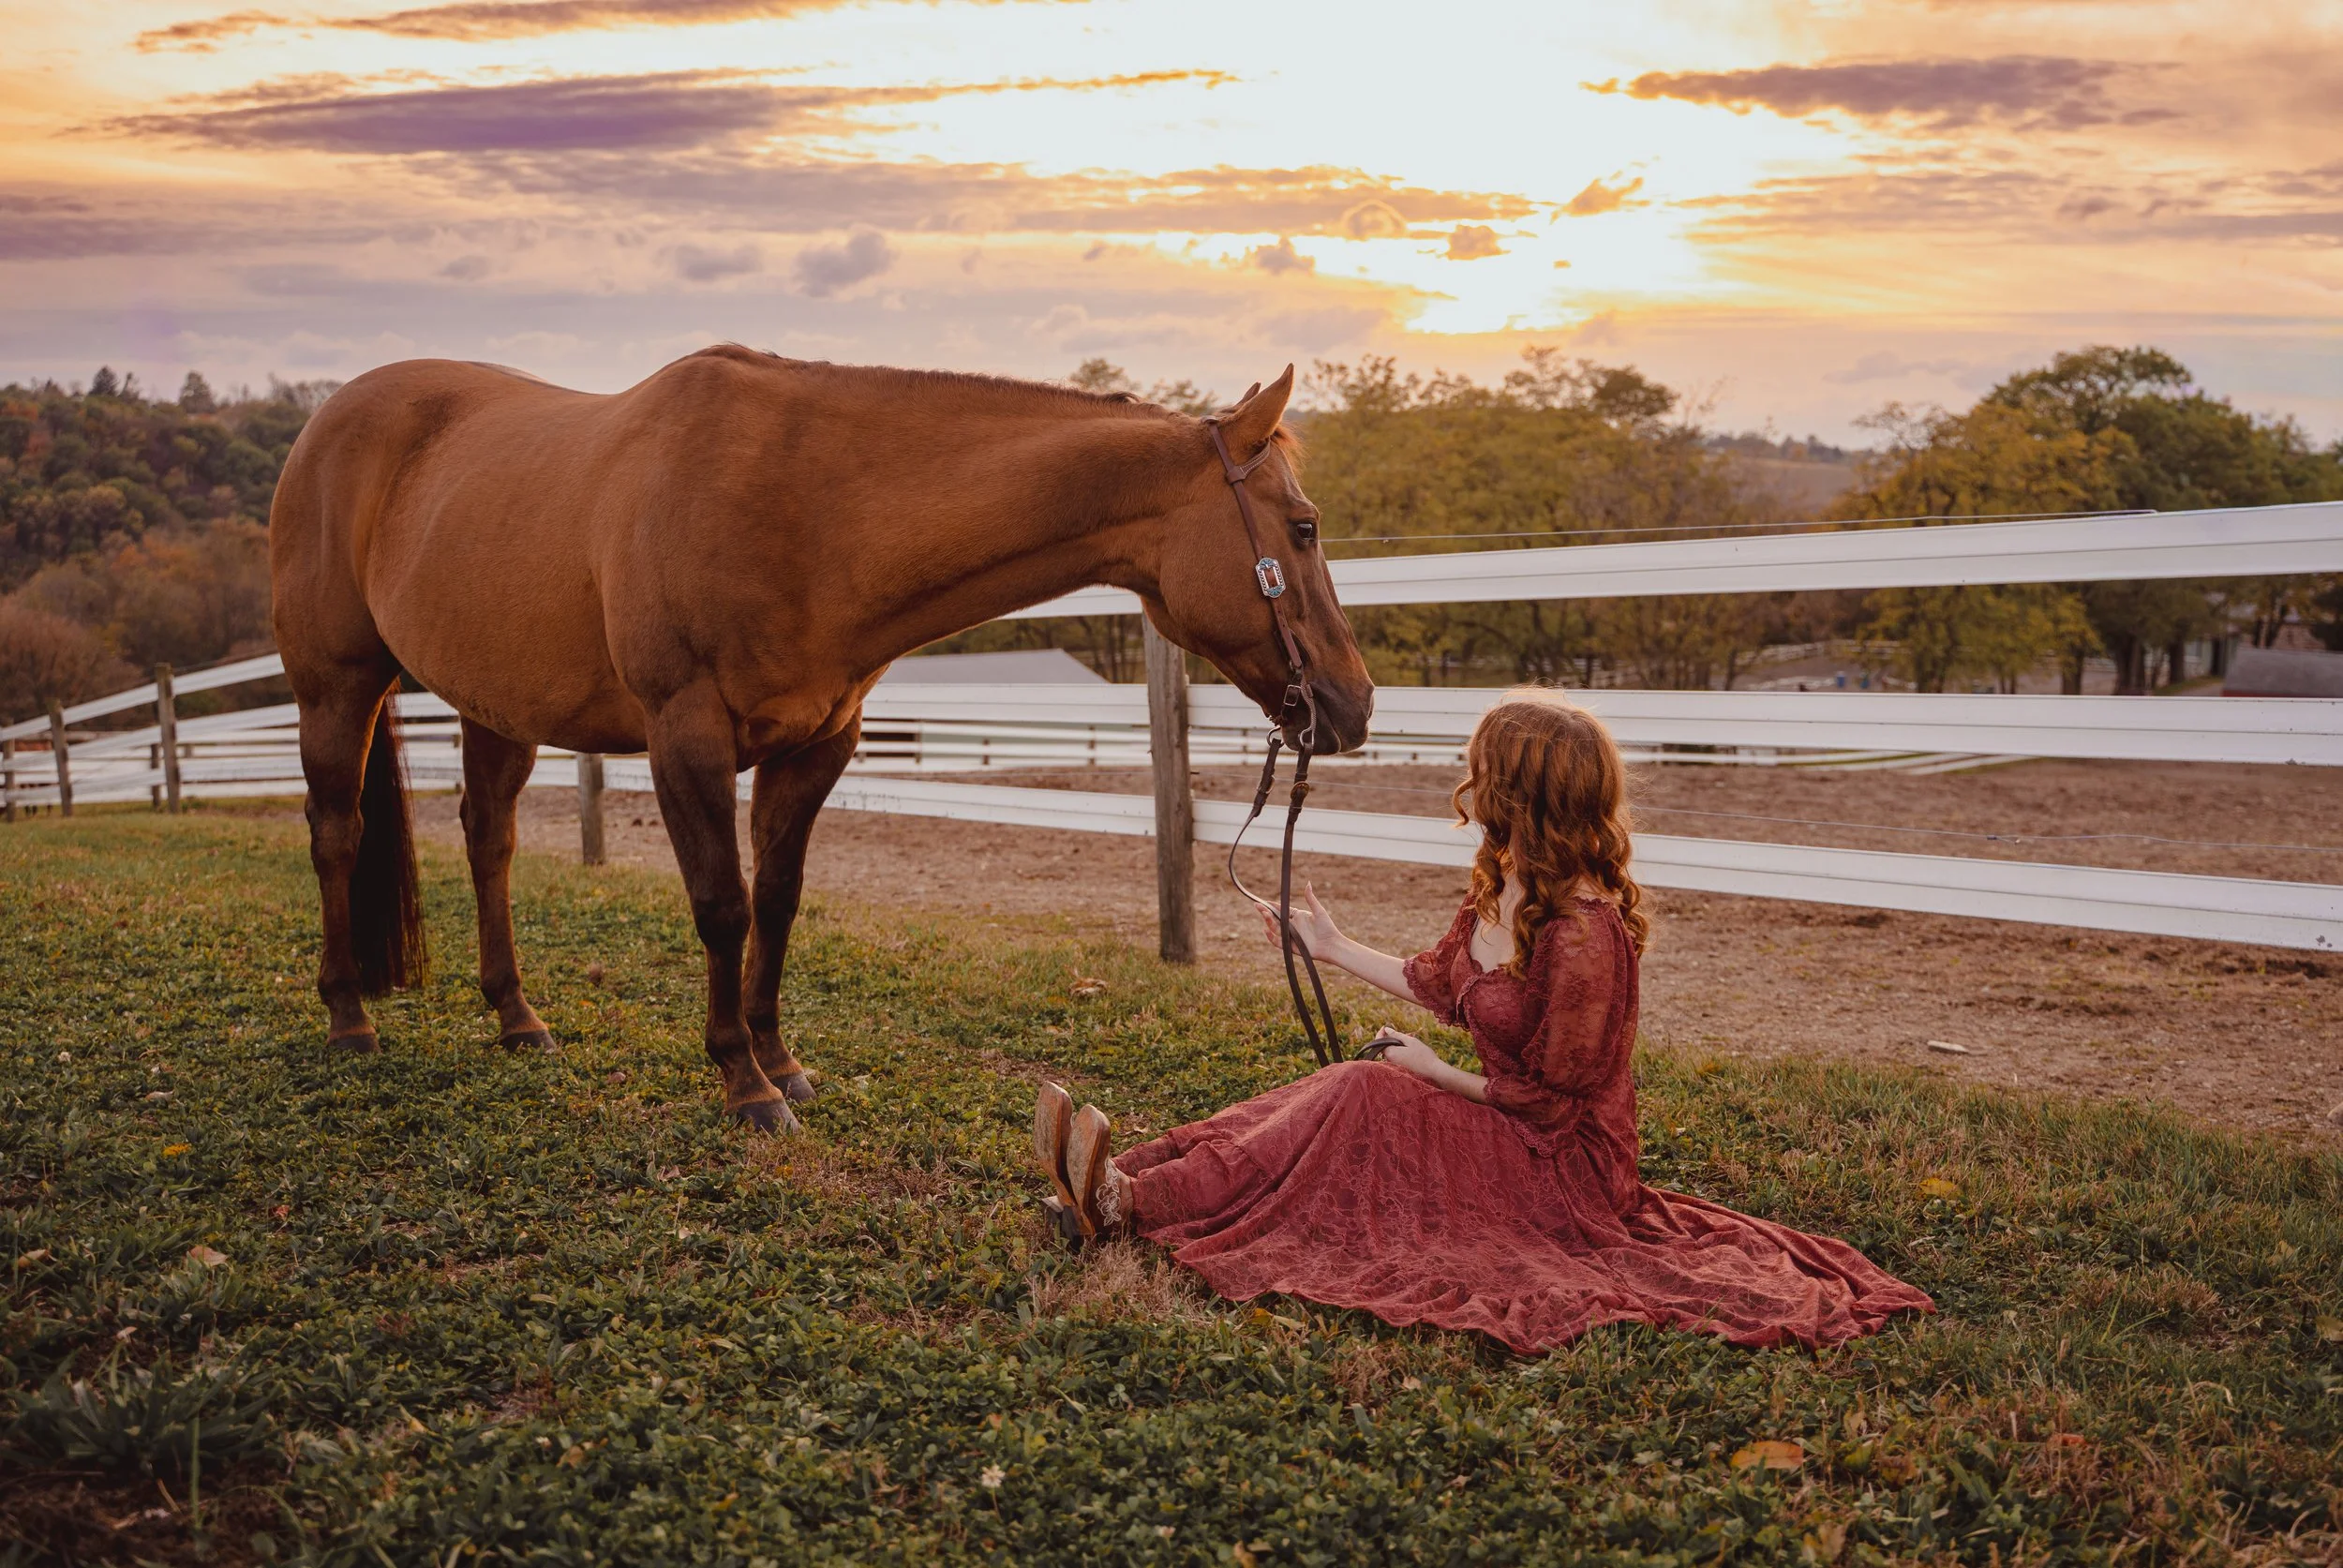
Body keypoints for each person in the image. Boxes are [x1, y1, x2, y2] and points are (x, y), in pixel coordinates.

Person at [1032, 692, 1933, 1353]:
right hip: (1503, 1119)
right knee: (1333, 1094)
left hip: (1563, 1170)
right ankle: (1126, 1173)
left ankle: (1131, 1203)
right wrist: (1331, 944)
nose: (1468, 779)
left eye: (1482, 767)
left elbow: (1553, 1107)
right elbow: (1437, 981)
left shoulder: (1586, 937)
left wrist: (1430, 1073)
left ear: (1515, 790)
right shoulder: (1503, 880)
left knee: (1361, 1091)